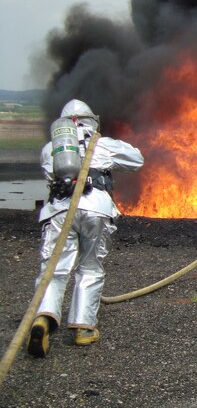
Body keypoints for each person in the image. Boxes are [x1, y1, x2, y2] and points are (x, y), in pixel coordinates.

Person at [27, 99, 144, 357]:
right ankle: (83, 328)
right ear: (91, 121)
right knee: (89, 266)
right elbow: (137, 160)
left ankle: (43, 318)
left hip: (59, 211)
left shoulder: (51, 150)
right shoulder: (102, 144)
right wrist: (106, 148)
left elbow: (50, 176)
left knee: (53, 268)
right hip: (95, 209)